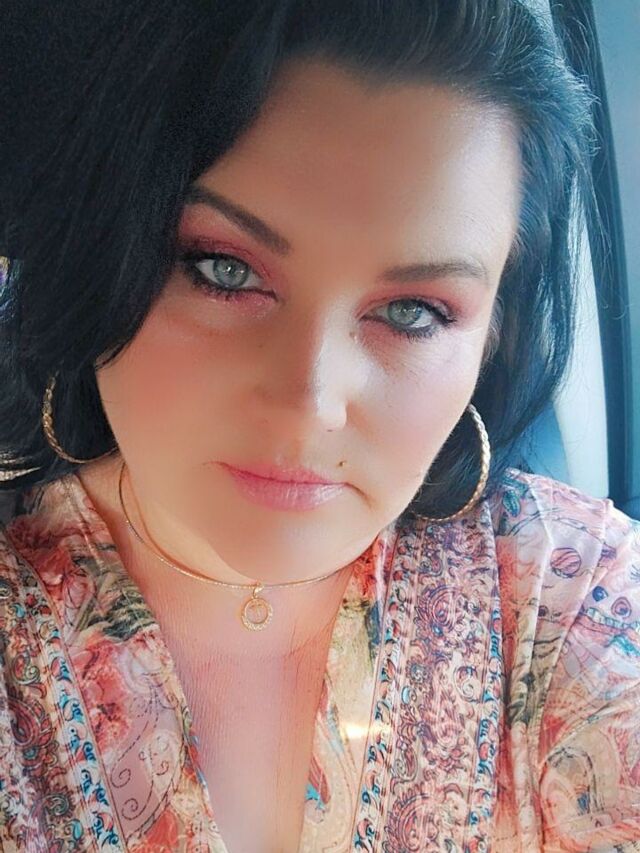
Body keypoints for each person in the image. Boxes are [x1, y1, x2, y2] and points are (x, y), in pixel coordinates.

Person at [0, 1, 639, 851]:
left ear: (493, 335)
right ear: (102, 251)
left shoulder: (572, 601)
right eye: (223, 269)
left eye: (413, 311)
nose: (311, 400)